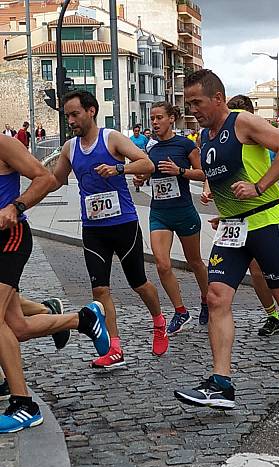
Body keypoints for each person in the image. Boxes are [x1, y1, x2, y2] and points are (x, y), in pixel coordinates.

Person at [174, 69, 279, 410]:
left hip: (265, 222)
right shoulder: (205, 136)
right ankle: (221, 383)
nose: (193, 110)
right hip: (234, 228)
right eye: (189, 103)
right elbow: (224, 178)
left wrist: (259, 186)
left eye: (198, 102)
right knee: (216, 296)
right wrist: (225, 209)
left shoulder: (243, 122)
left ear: (217, 98)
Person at [0, 134, 110, 433]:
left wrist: (16, 207)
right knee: (18, 327)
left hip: (10, 238)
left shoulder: (3, 144)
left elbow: (45, 178)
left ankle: (24, 405)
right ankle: (82, 319)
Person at [50, 90, 168, 368]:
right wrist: (25, 198)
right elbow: (55, 180)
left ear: (91, 111)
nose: (71, 120)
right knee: (100, 290)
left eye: (75, 114)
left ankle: (159, 321)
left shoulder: (111, 138)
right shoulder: (70, 148)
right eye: (67, 115)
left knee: (138, 283)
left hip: (123, 223)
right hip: (93, 227)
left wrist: (118, 170)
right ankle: (114, 348)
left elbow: (146, 163)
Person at [216, 93, 279, 336]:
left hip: (266, 215)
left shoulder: (260, 137)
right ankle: (272, 315)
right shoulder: (223, 142)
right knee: (255, 273)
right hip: (238, 222)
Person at [133, 101, 209, 334]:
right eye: (152, 118)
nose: (155, 122)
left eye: (159, 118)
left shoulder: (185, 145)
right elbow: (148, 173)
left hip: (183, 210)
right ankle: (180, 311)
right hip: (159, 213)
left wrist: (181, 171)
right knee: (162, 265)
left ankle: (207, 300)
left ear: (171, 119)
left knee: (194, 261)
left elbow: (203, 173)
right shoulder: (152, 149)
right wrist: (141, 179)